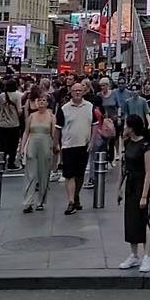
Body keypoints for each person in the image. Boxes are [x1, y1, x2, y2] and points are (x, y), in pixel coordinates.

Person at [118, 114, 150, 272]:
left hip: (140, 184)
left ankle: (147, 256)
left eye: (126, 125)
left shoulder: (145, 145)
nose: (124, 128)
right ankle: (134, 255)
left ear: (132, 128)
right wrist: (119, 188)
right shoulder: (127, 143)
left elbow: (149, 172)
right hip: (130, 185)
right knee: (131, 220)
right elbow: (124, 168)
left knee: (143, 220)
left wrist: (145, 195)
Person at [57, 82, 94, 215]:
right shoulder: (64, 108)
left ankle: (76, 196)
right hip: (68, 145)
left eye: (80, 90)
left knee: (80, 174)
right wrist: (57, 144)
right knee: (69, 174)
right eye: (75, 91)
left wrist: (92, 141)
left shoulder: (89, 106)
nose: (77, 93)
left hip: (83, 145)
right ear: (71, 92)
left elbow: (94, 124)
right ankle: (71, 201)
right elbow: (58, 128)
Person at [21, 92, 55, 212]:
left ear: (47, 103)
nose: (41, 102)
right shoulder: (31, 116)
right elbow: (26, 132)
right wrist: (22, 147)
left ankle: (41, 201)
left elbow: (53, 133)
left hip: (45, 143)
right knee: (30, 173)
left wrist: (55, 146)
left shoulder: (51, 116)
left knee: (43, 173)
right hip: (33, 142)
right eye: (39, 100)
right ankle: (28, 201)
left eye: (44, 100)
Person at [0, 80, 23, 169]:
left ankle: (2, 162)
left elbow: (0, 108)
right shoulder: (17, 96)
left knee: (3, 145)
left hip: (2, 123)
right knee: (13, 145)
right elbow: (19, 110)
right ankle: (11, 163)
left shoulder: (1, 95)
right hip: (14, 123)